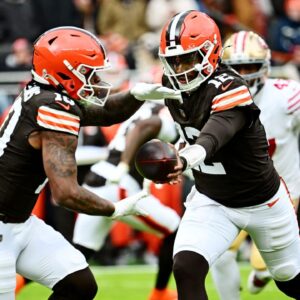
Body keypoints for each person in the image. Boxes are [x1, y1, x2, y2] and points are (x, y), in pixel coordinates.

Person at [0, 26, 182, 300]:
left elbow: (104, 112)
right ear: (63, 70)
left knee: (79, 284)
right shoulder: (52, 109)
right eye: (87, 71)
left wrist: (136, 95)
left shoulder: (44, 95)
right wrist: (116, 208)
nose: (94, 79)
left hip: (20, 221)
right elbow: (65, 193)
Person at [137, 10, 300, 300]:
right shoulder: (173, 84)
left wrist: (185, 158)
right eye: (173, 60)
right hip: (213, 199)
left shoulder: (231, 86)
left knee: (289, 280)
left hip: (264, 202)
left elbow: (215, 135)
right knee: (187, 267)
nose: (179, 68)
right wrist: (128, 97)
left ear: (210, 54)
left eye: (187, 58)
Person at [210, 30, 300, 299]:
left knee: (277, 269)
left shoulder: (287, 97)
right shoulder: (213, 100)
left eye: (250, 66)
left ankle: (262, 273)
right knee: (220, 255)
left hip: (280, 195)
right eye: (236, 67)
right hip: (233, 195)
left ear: (265, 67)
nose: (244, 74)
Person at [73, 101, 181, 300]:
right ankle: (160, 293)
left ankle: (19, 282)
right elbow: (145, 126)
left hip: (97, 177)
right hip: (119, 184)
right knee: (175, 229)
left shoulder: (142, 108)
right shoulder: (163, 114)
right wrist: (124, 164)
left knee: (80, 252)